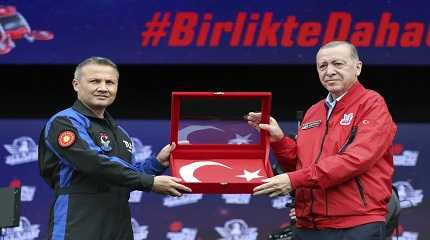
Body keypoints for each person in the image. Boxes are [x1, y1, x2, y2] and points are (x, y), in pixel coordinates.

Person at [248, 41, 397, 240]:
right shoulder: (314, 111)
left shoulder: (372, 104)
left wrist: (294, 180)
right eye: (323, 66)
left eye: (338, 64)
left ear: (358, 67)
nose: (330, 71)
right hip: (308, 225)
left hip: (355, 225)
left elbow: (355, 160)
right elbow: (300, 166)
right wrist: (279, 140)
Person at [38, 56, 192, 240]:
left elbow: (125, 175)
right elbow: (94, 163)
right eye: (95, 81)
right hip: (77, 225)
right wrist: (150, 182)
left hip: (119, 228)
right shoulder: (65, 122)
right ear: (76, 84)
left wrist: (157, 162)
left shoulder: (121, 133)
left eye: (110, 82)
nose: (103, 88)